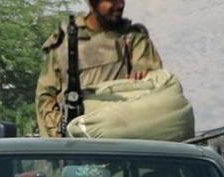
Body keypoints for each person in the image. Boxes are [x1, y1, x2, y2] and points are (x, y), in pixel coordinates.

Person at [35, 0, 163, 138]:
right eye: (112, 1)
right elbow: (45, 97)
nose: (120, 5)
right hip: (74, 141)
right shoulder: (65, 42)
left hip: (119, 138)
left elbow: (152, 86)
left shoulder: (133, 40)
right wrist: (60, 133)